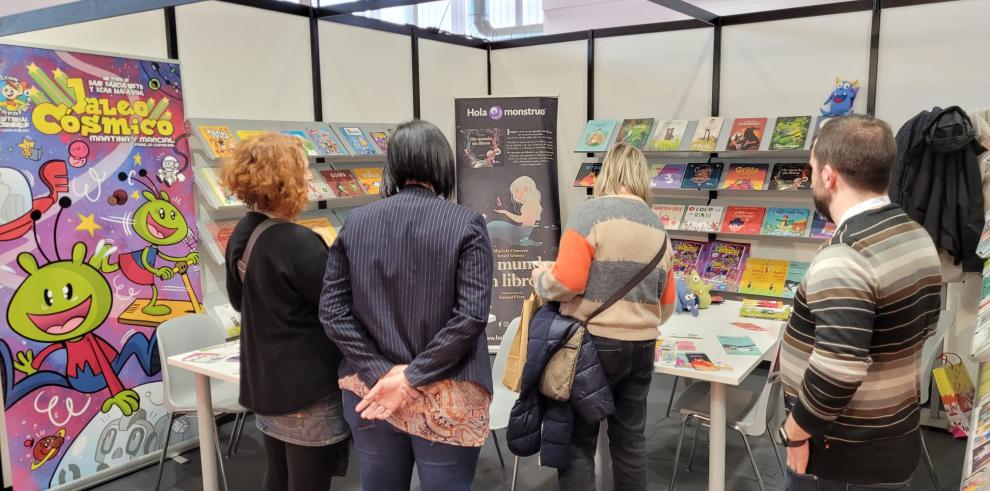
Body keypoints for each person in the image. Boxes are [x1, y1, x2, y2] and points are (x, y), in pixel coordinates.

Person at [320, 119, 494, 491]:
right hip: (448, 392)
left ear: (393, 165)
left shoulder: (356, 222)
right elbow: (471, 316)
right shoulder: (466, 224)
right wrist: (411, 376)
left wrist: (382, 372)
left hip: (371, 391)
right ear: (443, 164)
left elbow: (333, 312)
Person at [779, 114, 943, 490]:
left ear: (829, 176)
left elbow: (837, 371)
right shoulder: (914, 234)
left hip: (839, 458)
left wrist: (796, 431)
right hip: (893, 446)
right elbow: (925, 326)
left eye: (812, 168)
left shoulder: (845, 255)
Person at [531, 141, 677, 491]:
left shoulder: (590, 214)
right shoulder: (658, 227)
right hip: (641, 347)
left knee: (578, 442)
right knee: (630, 443)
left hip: (590, 346)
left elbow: (567, 282)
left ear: (607, 172)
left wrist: (541, 280)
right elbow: (667, 305)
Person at [221, 133, 349, 491]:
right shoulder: (297, 242)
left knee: (276, 475)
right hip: (306, 390)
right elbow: (337, 310)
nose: (310, 180)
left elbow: (238, 302)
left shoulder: (242, 234)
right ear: (282, 178)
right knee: (308, 482)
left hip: (265, 384)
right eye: (304, 171)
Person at [487, 175, 544, 246]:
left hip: (520, 234)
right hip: (524, 233)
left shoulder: (529, 205)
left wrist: (505, 212)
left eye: (517, 190)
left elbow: (520, 220)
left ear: (528, 189)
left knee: (492, 225)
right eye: (516, 191)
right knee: (493, 225)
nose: (517, 194)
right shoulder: (533, 203)